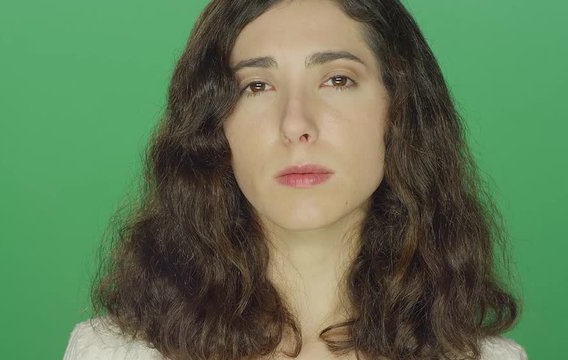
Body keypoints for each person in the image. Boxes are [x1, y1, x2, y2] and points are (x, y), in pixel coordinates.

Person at [63, 0, 528, 359]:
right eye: (257, 86)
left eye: (338, 80)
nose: (295, 124)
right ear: (215, 128)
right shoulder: (112, 352)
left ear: (399, 111)